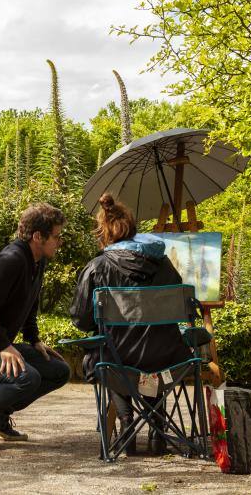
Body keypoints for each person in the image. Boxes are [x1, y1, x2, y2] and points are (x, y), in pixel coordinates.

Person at [69, 193, 191, 455]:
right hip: (169, 358)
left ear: (104, 233)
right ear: (133, 229)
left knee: (111, 357)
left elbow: (80, 319)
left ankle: (127, 426)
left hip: (117, 360)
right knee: (151, 356)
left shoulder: (97, 267)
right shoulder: (165, 264)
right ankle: (158, 429)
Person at [0, 203, 72, 450]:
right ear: (38, 236)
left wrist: (34, 339)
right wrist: (4, 345)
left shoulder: (37, 262)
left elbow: (29, 304)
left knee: (59, 370)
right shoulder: (11, 260)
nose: (59, 242)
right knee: (27, 377)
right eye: (56, 237)